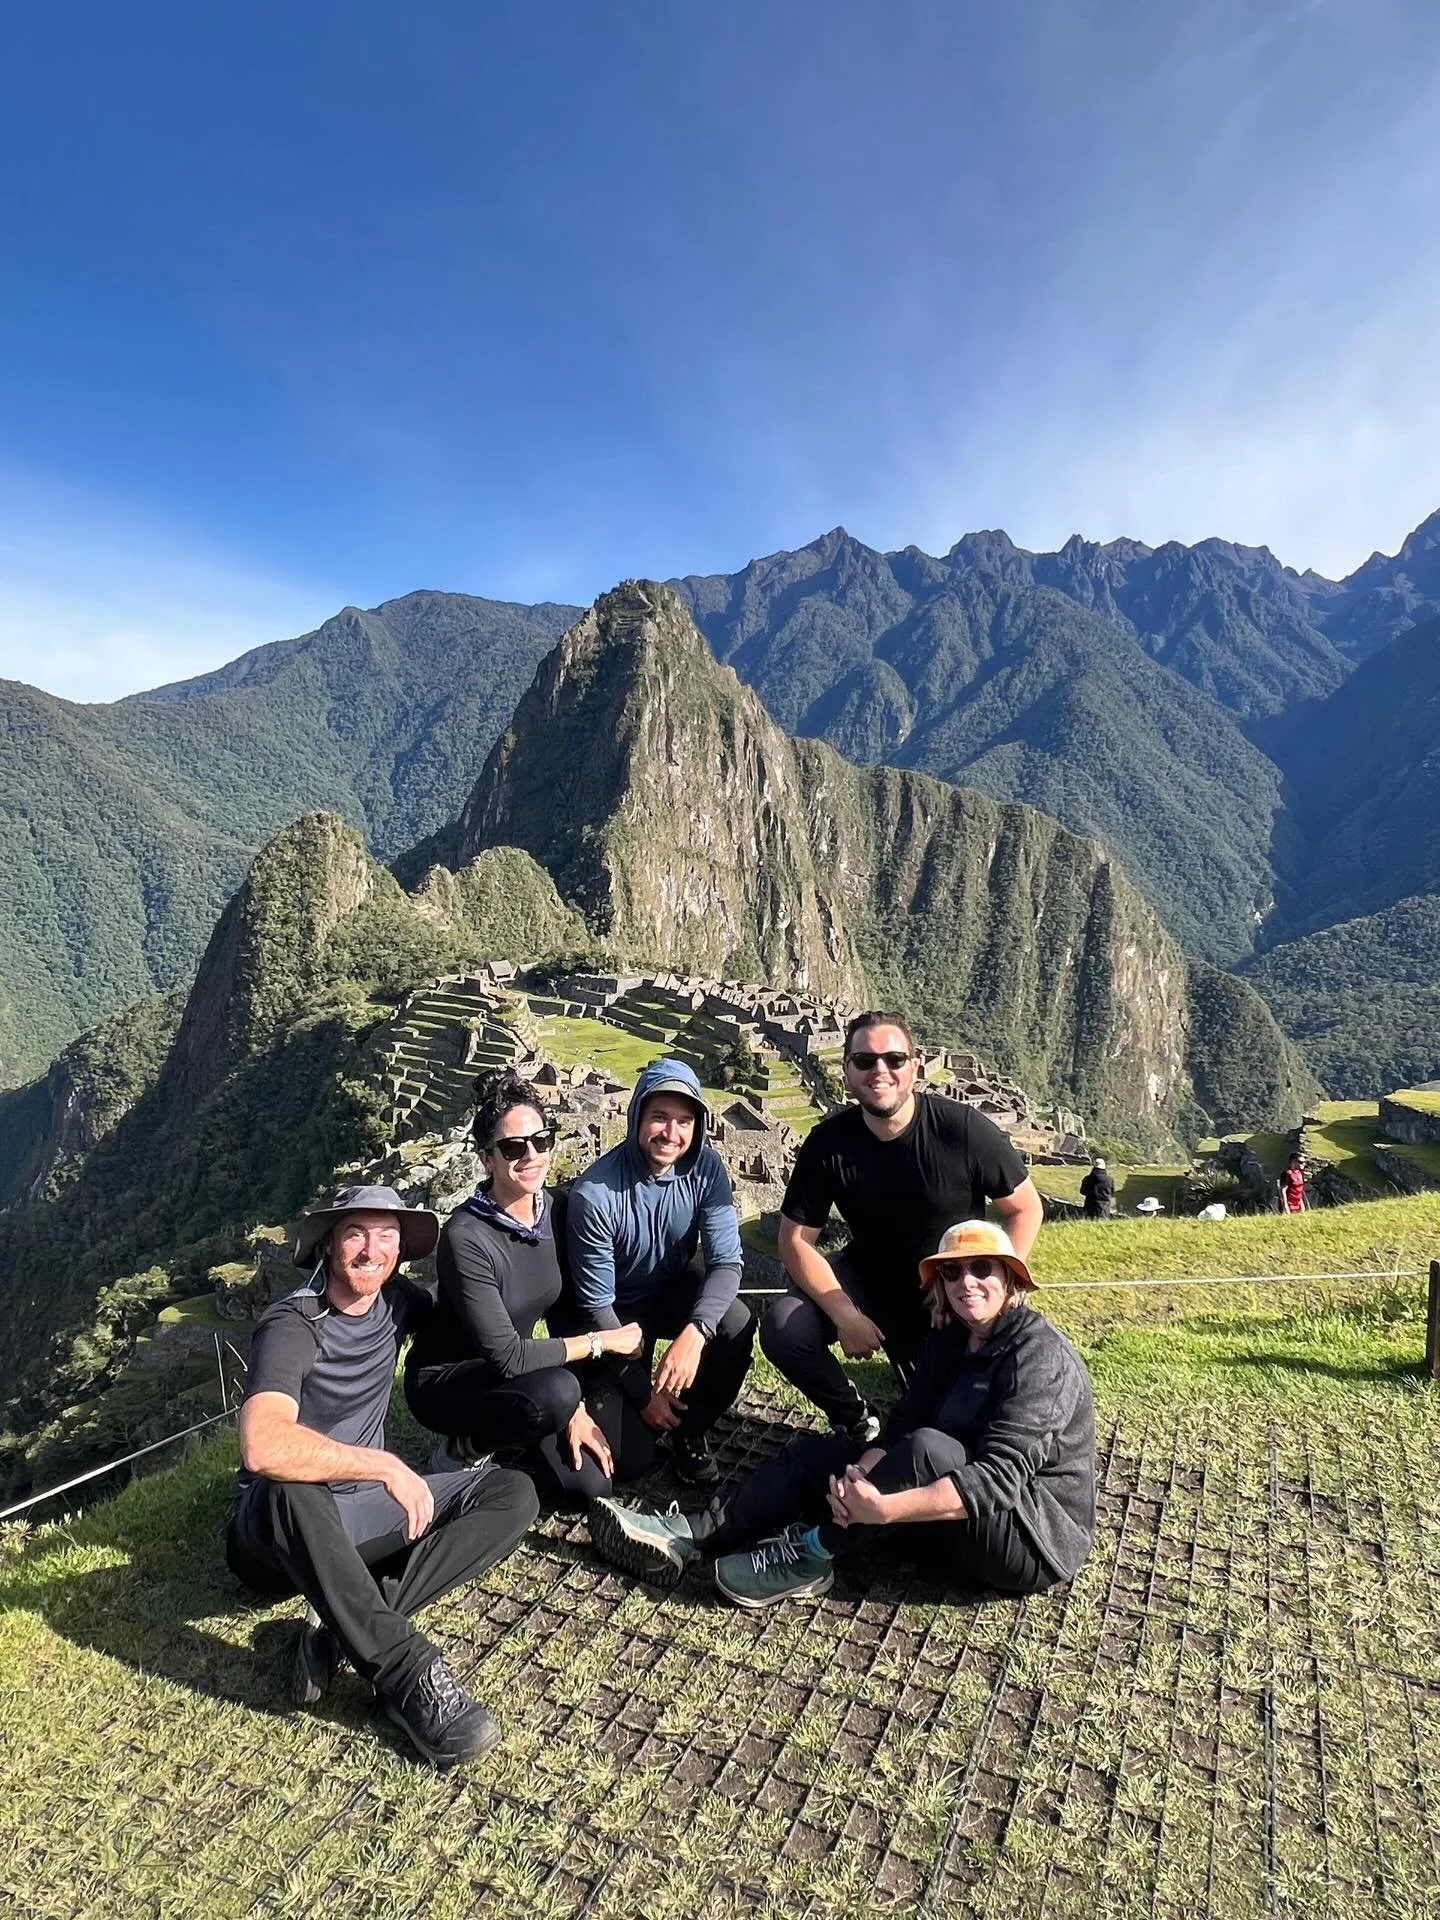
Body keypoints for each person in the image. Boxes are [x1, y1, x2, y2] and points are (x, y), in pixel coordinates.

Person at [586, 1220, 1095, 1608]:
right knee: (819, 1455)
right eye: (953, 1271)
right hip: (952, 1504)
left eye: (982, 1269)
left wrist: (887, 1508)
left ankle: (812, 1553)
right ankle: (693, 1534)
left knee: (926, 1450)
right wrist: (867, 1467)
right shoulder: (951, 1335)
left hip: (1027, 1538)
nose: (967, 1283)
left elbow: (998, 1481)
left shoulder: (1039, 1357)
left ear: (1011, 1280)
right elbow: (906, 1417)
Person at [225, 1184, 538, 1769]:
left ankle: (346, 1626)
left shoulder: (396, 1300)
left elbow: (466, 1309)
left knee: (511, 1491)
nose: (373, 1249)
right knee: (291, 1484)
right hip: (276, 1530)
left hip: (362, 1514)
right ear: (327, 1244)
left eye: (388, 1234)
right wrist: (386, 1465)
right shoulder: (293, 1323)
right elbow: (263, 1446)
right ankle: (405, 1671)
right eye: (356, 1233)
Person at [762, 1011, 1044, 1441]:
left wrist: (999, 1283)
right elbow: (795, 1240)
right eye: (865, 1061)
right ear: (847, 1073)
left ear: (915, 1065)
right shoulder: (828, 1144)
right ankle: (854, 1417)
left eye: (894, 1059)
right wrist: (845, 1314)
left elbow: (1025, 1208)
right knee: (786, 1326)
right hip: (870, 1282)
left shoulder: (961, 1130)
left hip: (949, 1288)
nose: (880, 1071)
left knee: (945, 1428)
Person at [405, 1069, 645, 1501]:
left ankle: (529, 1423)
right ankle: (465, 1447)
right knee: (557, 1391)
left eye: (542, 1140)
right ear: (487, 1159)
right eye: (513, 1148)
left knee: (599, 1479)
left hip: (520, 1376)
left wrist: (579, 1409)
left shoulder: (556, 1211)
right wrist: (600, 1345)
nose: (530, 1155)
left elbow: (567, 1314)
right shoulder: (466, 1237)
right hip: (450, 1382)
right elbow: (509, 1357)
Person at [566, 1058, 755, 1487]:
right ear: (636, 1117)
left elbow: (727, 1262)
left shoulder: (704, 1169)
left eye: (684, 1121)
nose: (671, 1134)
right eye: (659, 1118)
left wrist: (696, 1334)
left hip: (671, 1292)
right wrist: (642, 1392)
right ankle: (649, 1411)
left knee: (736, 1322)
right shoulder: (596, 1195)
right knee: (632, 1459)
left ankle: (691, 1431)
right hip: (615, 1317)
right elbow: (597, 1308)